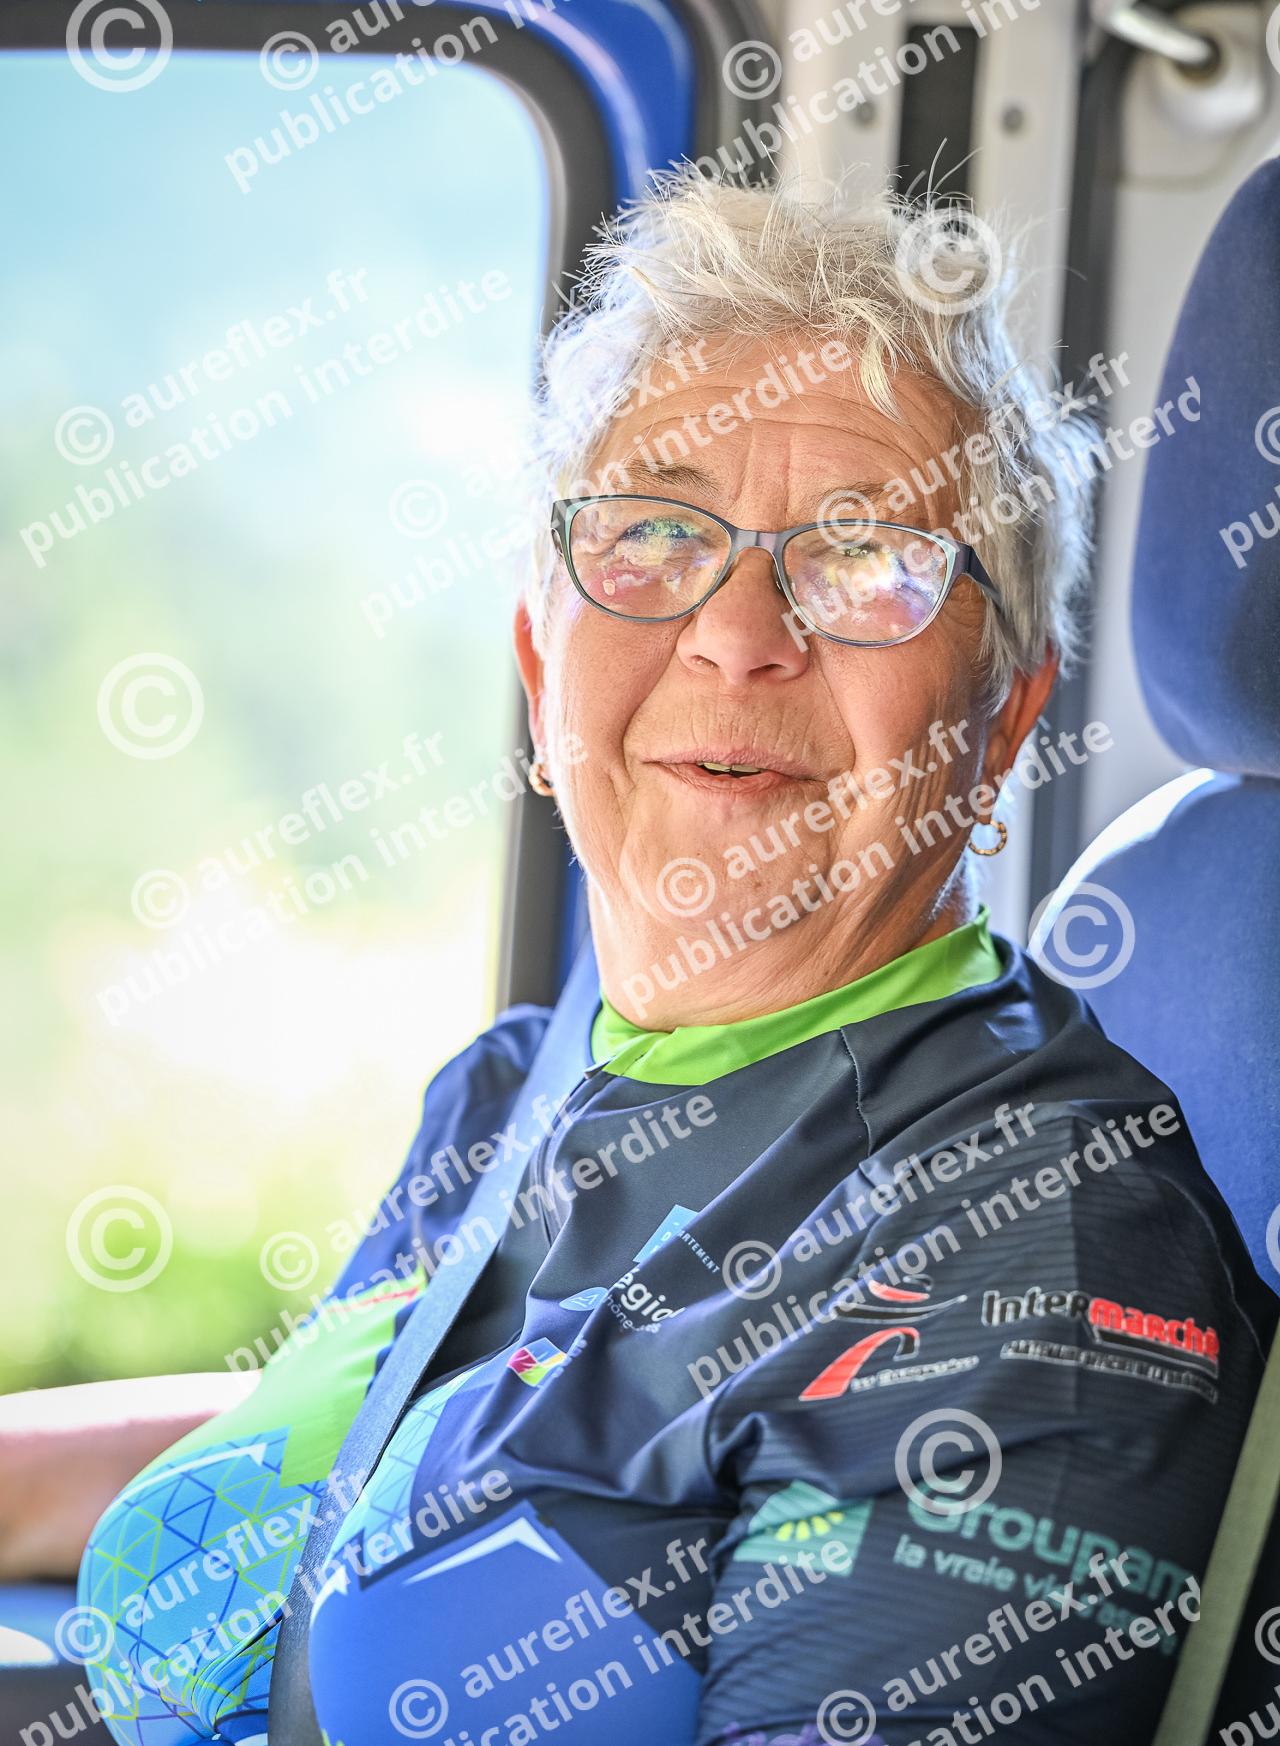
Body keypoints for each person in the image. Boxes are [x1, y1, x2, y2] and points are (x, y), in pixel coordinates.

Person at [5, 173, 1273, 1746]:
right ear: (541, 668)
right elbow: (401, 1453)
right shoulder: (518, 1088)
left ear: (1005, 715)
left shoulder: (1035, 1252)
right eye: (657, 535)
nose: (738, 632)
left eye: (864, 556)